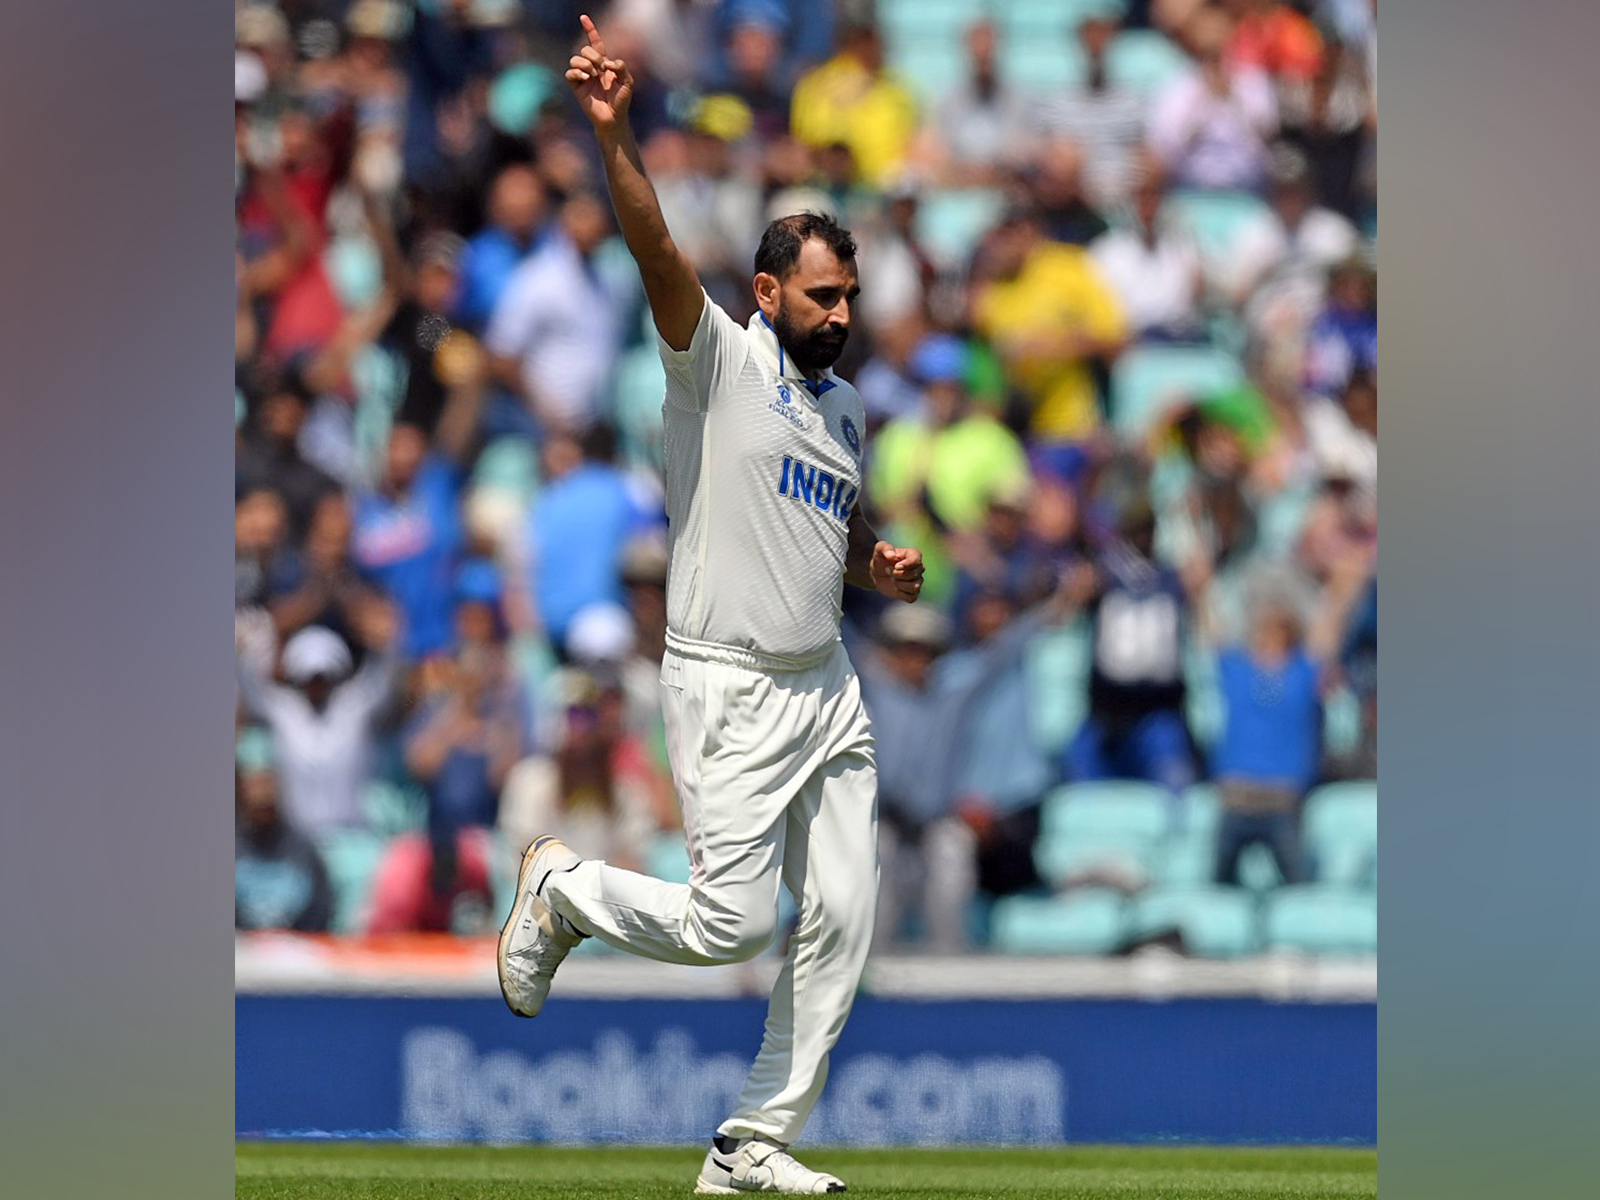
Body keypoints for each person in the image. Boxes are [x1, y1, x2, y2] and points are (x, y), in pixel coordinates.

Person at [496, 18, 924, 1195]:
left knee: (843, 914)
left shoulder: (845, 414)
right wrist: (615, 133)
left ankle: (748, 1143)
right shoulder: (717, 361)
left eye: (849, 298)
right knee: (730, 927)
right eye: (820, 297)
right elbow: (652, 248)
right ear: (769, 290)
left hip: (824, 684)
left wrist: (872, 566)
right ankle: (565, 889)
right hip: (726, 680)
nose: (838, 316)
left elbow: (820, 535)